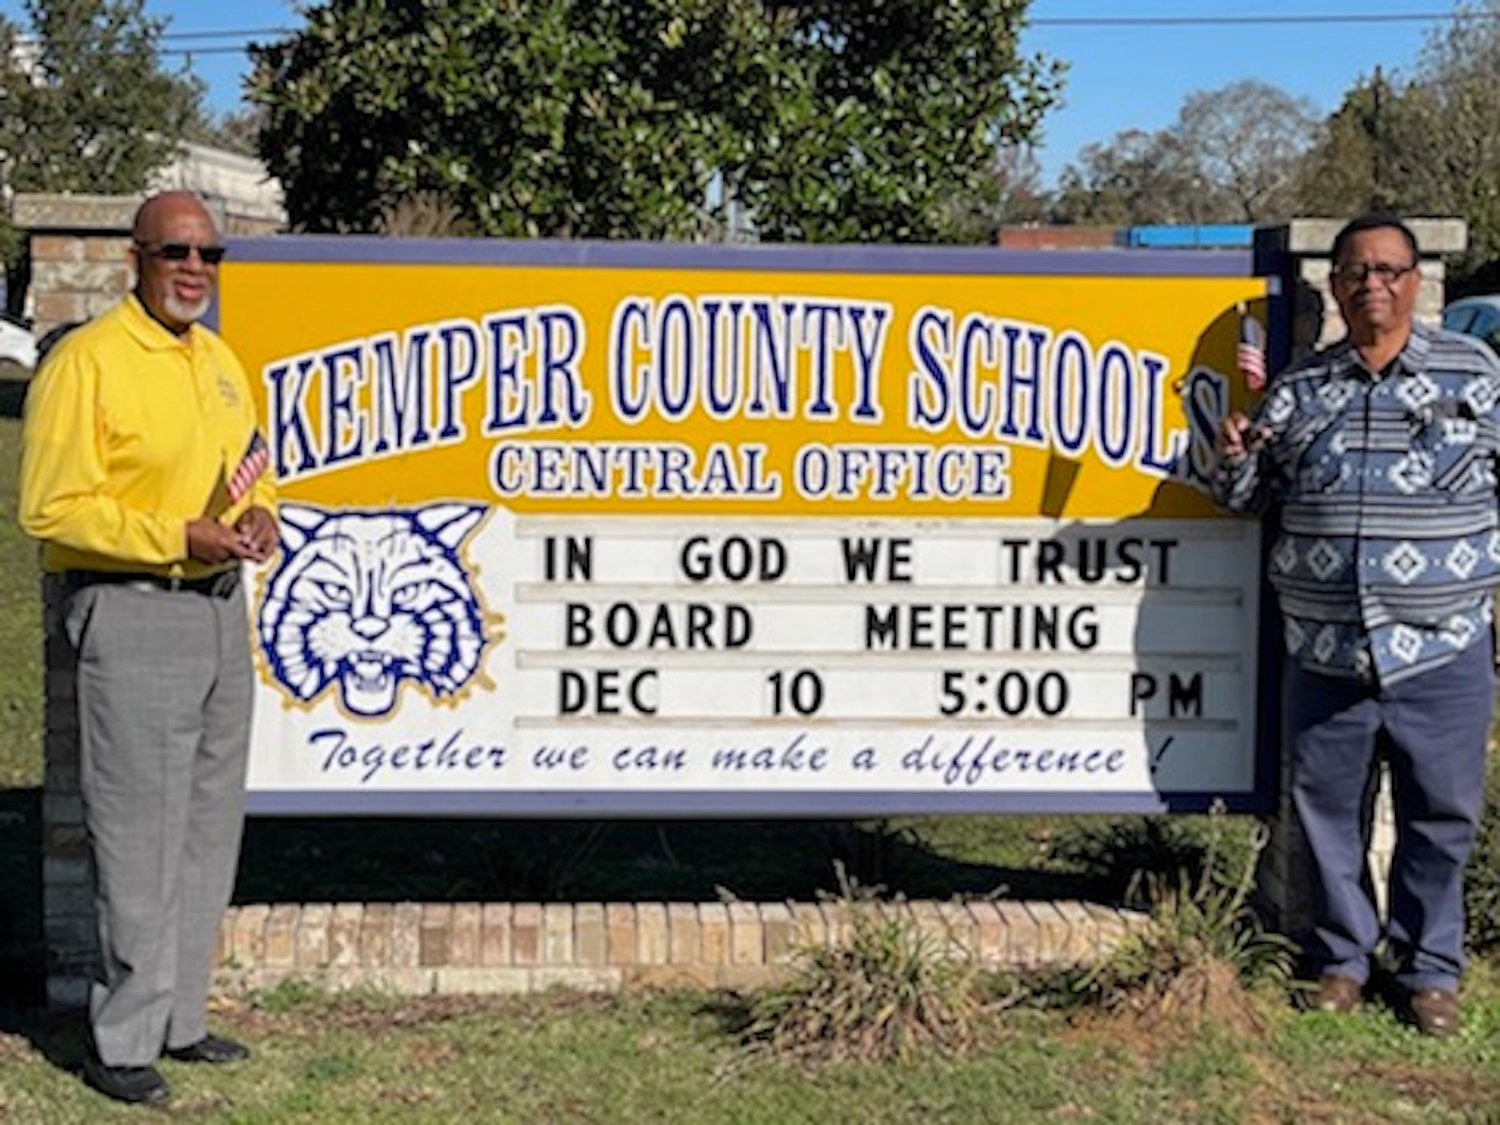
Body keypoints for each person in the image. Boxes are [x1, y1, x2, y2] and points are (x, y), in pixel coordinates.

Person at [1213, 213, 1499, 1037]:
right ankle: (1341, 957)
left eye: (1388, 270)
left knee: (1441, 816)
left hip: (1441, 641)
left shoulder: (1475, 373)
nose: (1372, 284)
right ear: (1334, 286)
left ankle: (1430, 969)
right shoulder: (1301, 387)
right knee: (1327, 815)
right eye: (1355, 272)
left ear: (1414, 279)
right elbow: (1248, 500)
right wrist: (1234, 454)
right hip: (1326, 646)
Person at [19, 191, 277, 1104]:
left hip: (215, 609)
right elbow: (49, 506)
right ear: (137, 256)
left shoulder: (220, 361)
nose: (195, 270)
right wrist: (180, 534)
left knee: (207, 827)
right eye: (177, 251)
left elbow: (252, 463)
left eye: (210, 256)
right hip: (130, 608)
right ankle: (120, 1038)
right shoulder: (86, 362)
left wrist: (257, 517)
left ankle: (181, 1018)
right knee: (136, 833)